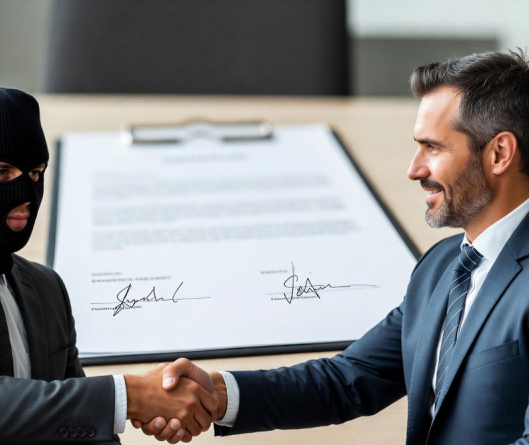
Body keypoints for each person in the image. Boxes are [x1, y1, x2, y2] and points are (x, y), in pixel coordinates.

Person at [138, 50, 529, 444]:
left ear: (499, 153)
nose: (414, 170)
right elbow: (348, 379)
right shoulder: (441, 267)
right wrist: (218, 395)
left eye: (434, 148)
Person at [0, 83, 218, 445]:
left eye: (35, 173)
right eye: (2, 172)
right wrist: (130, 396)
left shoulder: (46, 288)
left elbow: (79, 426)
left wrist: (146, 400)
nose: (26, 195)